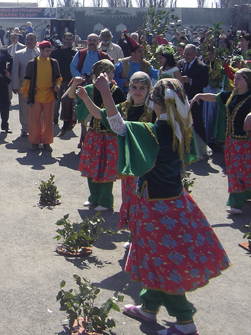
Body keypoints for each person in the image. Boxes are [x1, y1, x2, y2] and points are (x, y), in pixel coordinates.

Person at [95, 75, 230, 335]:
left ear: (157, 104)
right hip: (177, 203)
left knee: (161, 263)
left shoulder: (157, 132)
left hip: (156, 208)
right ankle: (148, 306)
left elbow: (118, 126)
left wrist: (105, 92)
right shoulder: (182, 128)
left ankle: (184, 321)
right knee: (155, 258)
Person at [77, 71, 155, 244]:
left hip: (148, 164)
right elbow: (100, 114)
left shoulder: (153, 109)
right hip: (129, 164)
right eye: (134, 87)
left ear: (148, 89)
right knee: (130, 198)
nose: (138, 91)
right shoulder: (125, 107)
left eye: (142, 88)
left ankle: (144, 236)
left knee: (146, 201)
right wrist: (85, 99)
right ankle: (133, 235)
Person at [190, 68, 251, 215]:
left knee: (240, 170)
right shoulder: (232, 95)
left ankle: (236, 204)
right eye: (235, 78)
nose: (235, 81)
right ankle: (244, 195)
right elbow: (215, 97)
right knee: (235, 170)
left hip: (246, 142)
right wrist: (199, 95)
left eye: (239, 79)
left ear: (248, 82)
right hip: (231, 140)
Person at [69, 59, 126, 211]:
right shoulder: (90, 88)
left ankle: (106, 201)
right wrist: (75, 84)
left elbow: (121, 114)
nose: (106, 75)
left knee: (107, 168)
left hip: (110, 135)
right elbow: (71, 95)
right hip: (93, 134)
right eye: (103, 72)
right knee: (91, 166)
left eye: (110, 72)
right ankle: (93, 197)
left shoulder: (117, 91)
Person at [21, 40, 62, 151]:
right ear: (41, 50)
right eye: (47, 51)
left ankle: (46, 142)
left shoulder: (54, 63)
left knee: (48, 120)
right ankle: (35, 141)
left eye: (50, 51)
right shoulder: (32, 63)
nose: (49, 53)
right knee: (35, 120)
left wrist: (57, 85)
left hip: (49, 95)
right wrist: (25, 94)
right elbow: (27, 80)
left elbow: (58, 77)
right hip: (36, 95)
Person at [178, 44, 210, 153]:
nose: (186, 56)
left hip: (195, 99)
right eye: (185, 53)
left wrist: (191, 81)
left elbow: (204, 82)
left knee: (197, 121)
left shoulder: (202, 67)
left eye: (189, 54)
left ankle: (202, 147)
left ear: (195, 55)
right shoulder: (180, 63)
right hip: (182, 98)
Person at [10, 33, 39, 137]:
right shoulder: (19, 54)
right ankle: (25, 128)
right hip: (24, 86)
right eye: (28, 39)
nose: (29, 41)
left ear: (36, 41)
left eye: (32, 39)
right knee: (24, 108)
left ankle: (37, 127)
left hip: (39, 86)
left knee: (38, 107)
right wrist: (15, 86)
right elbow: (15, 71)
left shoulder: (41, 53)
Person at [53, 32, 78, 135]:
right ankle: (54, 118)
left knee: (68, 101)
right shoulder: (57, 51)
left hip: (69, 80)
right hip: (58, 79)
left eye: (70, 39)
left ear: (73, 41)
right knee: (56, 100)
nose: (68, 41)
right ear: (63, 39)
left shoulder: (74, 52)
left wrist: (66, 51)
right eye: (66, 39)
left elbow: (72, 62)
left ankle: (66, 121)